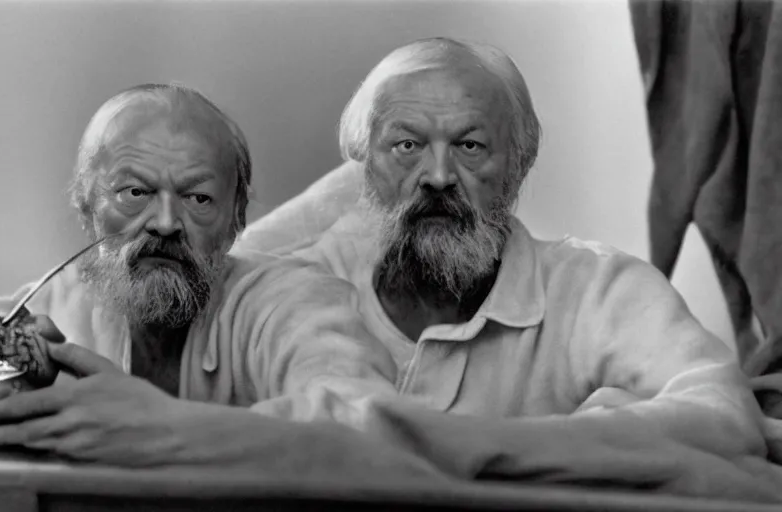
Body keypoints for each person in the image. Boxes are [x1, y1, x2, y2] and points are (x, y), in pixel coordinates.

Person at [235, 37, 782, 499]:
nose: (439, 176)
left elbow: (725, 412)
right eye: (407, 146)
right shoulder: (290, 290)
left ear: (518, 167)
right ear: (365, 167)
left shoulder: (597, 291)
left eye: (471, 146)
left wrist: (493, 447)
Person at [0, 83, 410, 467]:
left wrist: (163, 425)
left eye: (197, 198)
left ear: (235, 222)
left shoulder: (291, 304)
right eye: (134, 193)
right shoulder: (57, 309)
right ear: (87, 208)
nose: (164, 223)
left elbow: (365, 426)